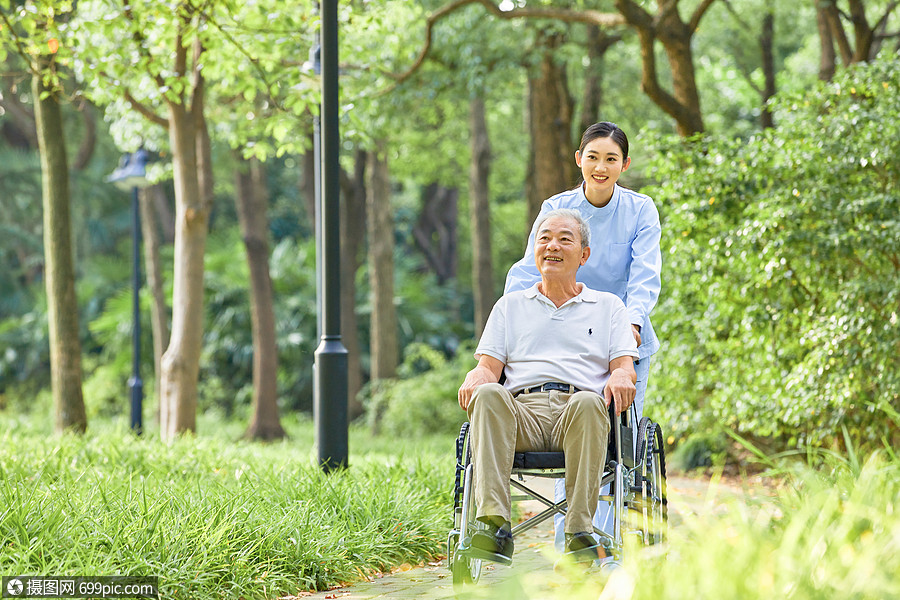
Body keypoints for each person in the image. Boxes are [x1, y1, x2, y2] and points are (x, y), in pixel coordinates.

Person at [504, 122, 662, 548]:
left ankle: (604, 543)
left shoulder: (640, 210)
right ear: (579, 160)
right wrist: (508, 325)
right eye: (593, 157)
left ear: (624, 165)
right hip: (566, 337)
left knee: (613, 447)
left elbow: (644, 278)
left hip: (621, 336)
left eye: (611, 159)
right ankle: (569, 548)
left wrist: (624, 339)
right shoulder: (558, 206)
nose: (600, 166)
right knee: (570, 434)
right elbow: (526, 269)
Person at [458, 209, 638, 565]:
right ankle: (493, 524)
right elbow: (488, 367)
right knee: (489, 392)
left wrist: (621, 375)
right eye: (544, 238)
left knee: (589, 403)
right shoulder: (510, 306)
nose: (552, 246)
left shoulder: (609, 307)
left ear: (584, 255)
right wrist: (476, 376)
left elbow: (624, 367)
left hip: (579, 413)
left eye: (564, 239)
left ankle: (579, 531)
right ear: (534, 250)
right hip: (520, 414)